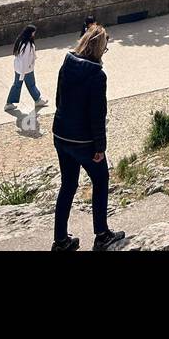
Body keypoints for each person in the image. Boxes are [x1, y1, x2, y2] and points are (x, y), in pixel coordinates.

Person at [51, 23, 125, 252]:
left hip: (61, 134)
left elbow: (58, 99)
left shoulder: (67, 63)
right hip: (84, 141)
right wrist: (100, 147)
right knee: (101, 180)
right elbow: (97, 114)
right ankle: (102, 234)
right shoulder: (97, 75)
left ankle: (61, 240)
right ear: (100, 49)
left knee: (68, 185)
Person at [5, 24, 48, 112]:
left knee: (18, 85)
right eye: (33, 33)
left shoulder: (21, 41)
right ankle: (38, 100)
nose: (34, 35)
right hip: (25, 70)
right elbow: (24, 60)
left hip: (21, 69)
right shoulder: (27, 45)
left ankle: (9, 103)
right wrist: (23, 73)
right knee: (30, 85)